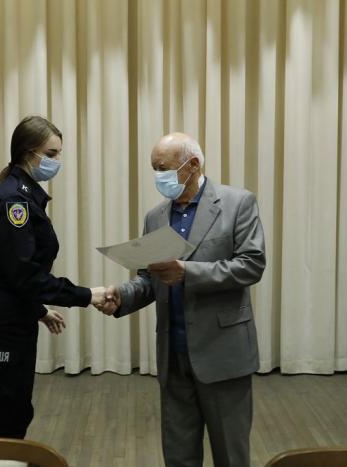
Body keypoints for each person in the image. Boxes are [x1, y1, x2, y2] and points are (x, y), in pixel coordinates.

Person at [98, 132, 265, 467]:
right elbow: (150, 279)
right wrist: (122, 296)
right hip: (173, 355)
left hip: (223, 353)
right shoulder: (156, 217)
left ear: (193, 164)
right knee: (178, 456)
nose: (158, 177)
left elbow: (251, 265)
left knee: (231, 456)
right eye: (154, 169)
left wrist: (188, 272)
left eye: (163, 169)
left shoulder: (238, 203)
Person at [0, 115, 109, 439]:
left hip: (11, 315)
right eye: (52, 154)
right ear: (29, 153)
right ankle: (1, 461)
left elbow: (13, 273)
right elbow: (25, 274)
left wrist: (38, 311)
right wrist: (86, 295)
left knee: (15, 411)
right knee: (7, 415)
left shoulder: (22, 195)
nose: (57, 161)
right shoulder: (13, 201)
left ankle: (6, 460)